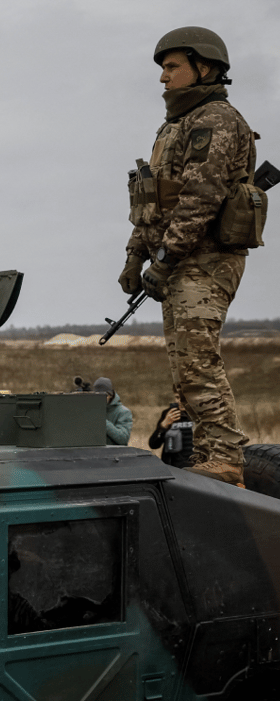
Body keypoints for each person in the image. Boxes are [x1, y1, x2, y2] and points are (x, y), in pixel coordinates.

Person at [118, 27, 255, 483]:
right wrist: (134, 258)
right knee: (183, 365)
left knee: (198, 360)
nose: (163, 78)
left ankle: (227, 457)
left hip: (207, 258)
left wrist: (164, 259)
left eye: (172, 67)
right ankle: (210, 455)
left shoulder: (215, 119)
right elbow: (154, 201)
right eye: (162, 68)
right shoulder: (174, 126)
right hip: (178, 261)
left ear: (206, 67)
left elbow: (200, 198)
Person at [149, 398, 195, 469]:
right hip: (173, 467)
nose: (180, 401)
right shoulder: (169, 414)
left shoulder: (201, 415)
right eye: (177, 397)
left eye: (184, 397)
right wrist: (163, 426)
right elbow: (153, 444)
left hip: (195, 467)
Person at [93, 377, 134, 446]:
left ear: (111, 395)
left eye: (104, 395)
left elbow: (123, 439)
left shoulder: (123, 412)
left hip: (114, 453)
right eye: (97, 395)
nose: (100, 399)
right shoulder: (92, 410)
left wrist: (103, 421)